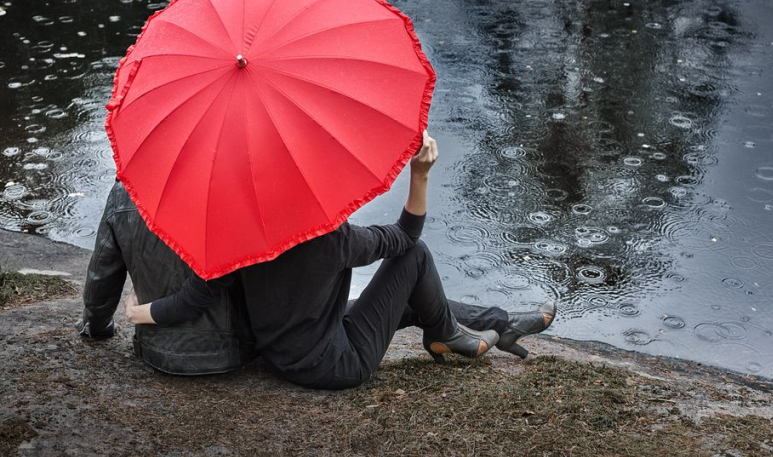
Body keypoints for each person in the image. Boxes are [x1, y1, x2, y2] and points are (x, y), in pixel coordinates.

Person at [122, 132, 556, 389]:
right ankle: (447, 334)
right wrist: (419, 174)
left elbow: (190, 300)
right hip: (337, 365)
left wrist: (136, 311)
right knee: (416, 259)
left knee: (410, 298)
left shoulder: (237, 235)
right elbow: (406, 238)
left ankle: (499, 323)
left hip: (285, 353)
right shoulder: (330, 239)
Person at [78, 181, 259, 375]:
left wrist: (97, 324)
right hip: (230, 350)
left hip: (153, 346)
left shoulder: (125, 191)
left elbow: (103, 272)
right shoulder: (232, 189)